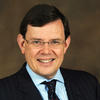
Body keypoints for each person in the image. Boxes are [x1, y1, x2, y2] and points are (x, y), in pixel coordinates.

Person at [0, 4, 100, 100]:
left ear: (66, 44)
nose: (46, 51)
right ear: (22, 44)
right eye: (37, 42)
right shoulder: (3, 92)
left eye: (55, 42)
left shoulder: (89, 84)